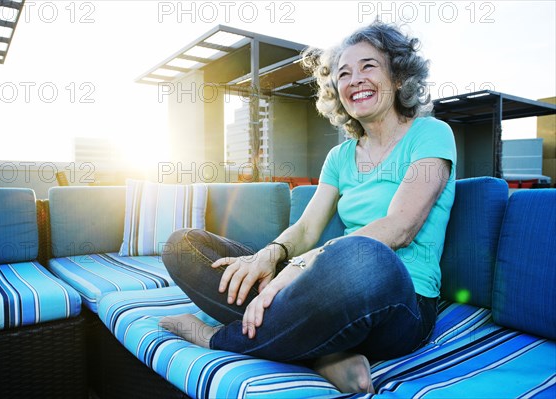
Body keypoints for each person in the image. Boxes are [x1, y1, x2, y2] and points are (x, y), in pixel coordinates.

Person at [160, 20, 456, 394]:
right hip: (324, 293)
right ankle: (323, 351)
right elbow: (305, 229)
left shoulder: (430, 134)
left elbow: (400, 227)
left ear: (398, 77)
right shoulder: (339, 156)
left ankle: (214, 337)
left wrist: (299, 267)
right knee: (182, 245)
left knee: (365, 258)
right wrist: (271, 255)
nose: (354, 80)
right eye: (343, 74)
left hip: (398, 301)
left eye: (368, 66)